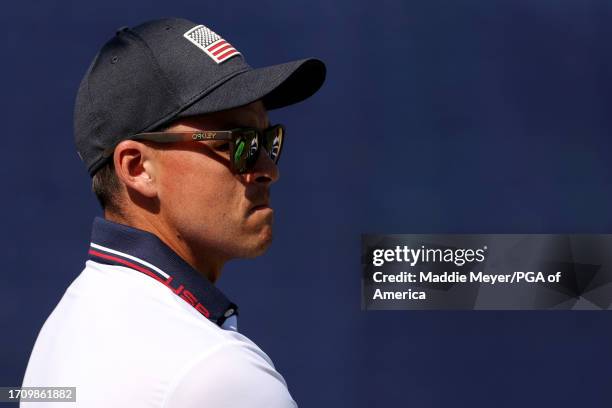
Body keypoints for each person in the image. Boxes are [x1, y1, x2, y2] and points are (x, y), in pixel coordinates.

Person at [21, 17, 325, 407]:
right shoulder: (217, 372)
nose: (268, 168)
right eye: (239, 142)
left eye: (268, 140)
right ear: (137, 168)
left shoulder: (66, 325)